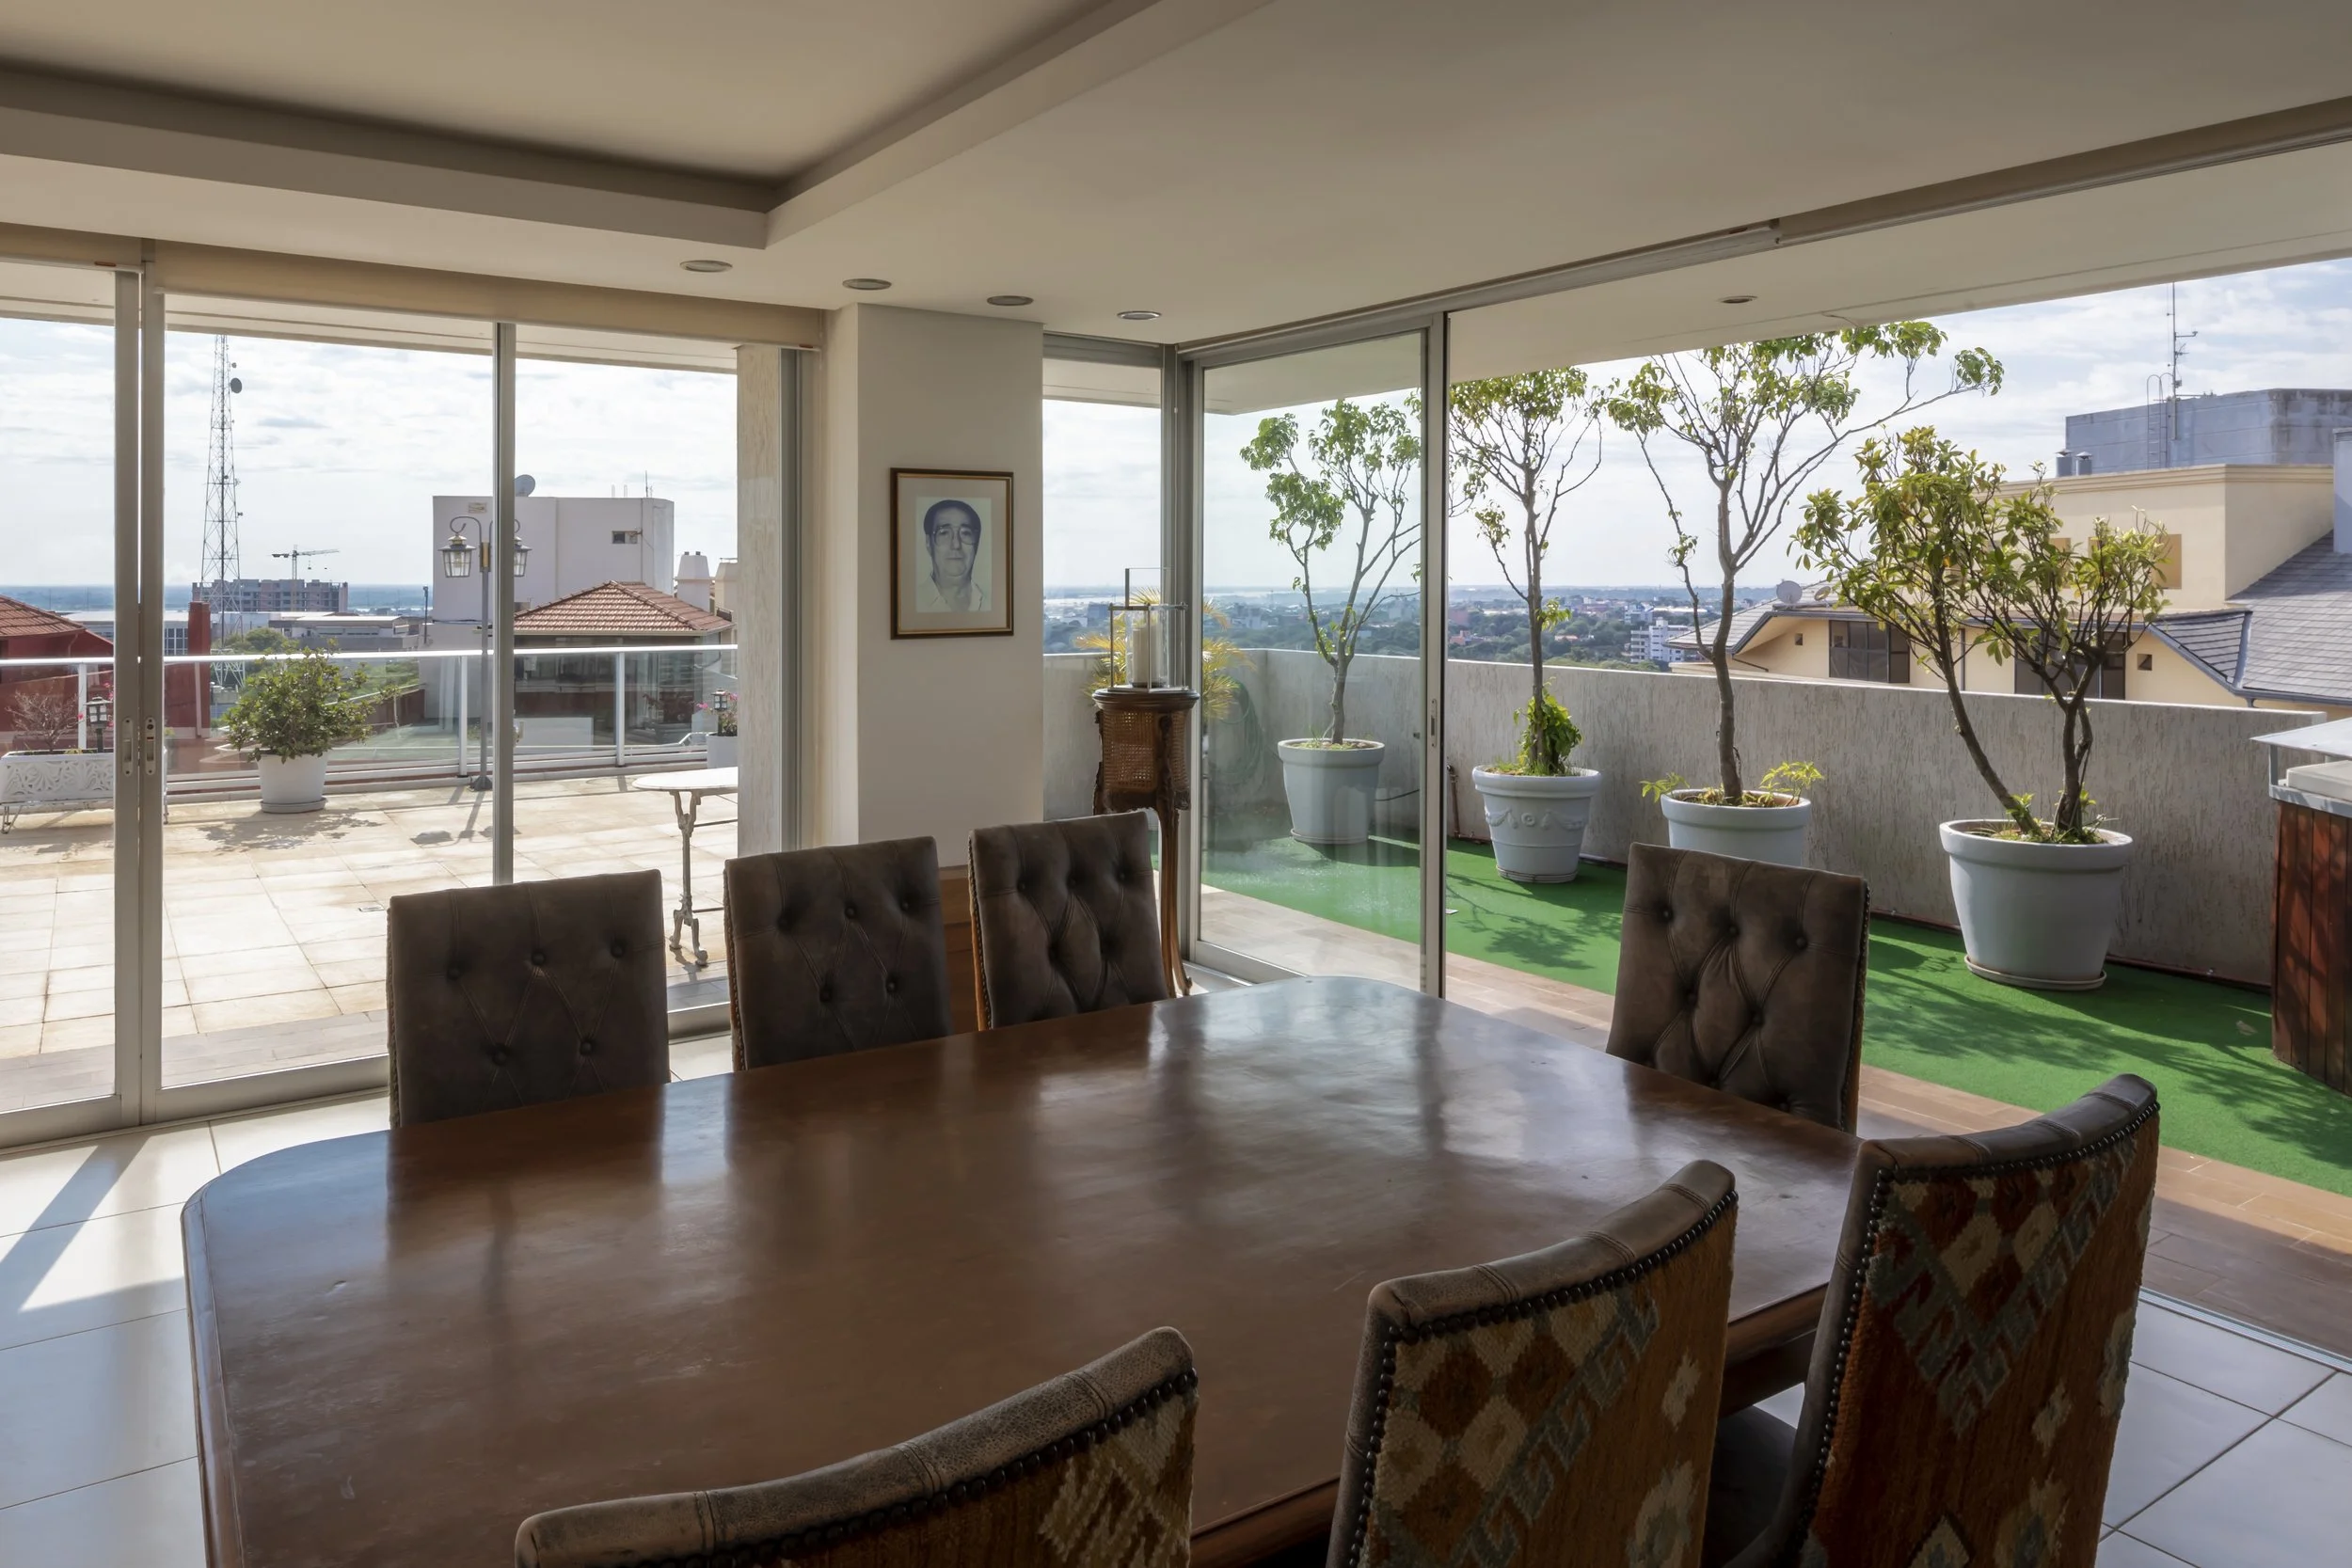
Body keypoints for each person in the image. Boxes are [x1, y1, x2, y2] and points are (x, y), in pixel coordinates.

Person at [915, 498, 989, 613]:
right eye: (944, 533)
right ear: (929, 543)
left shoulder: (991, 603)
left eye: (965, 533)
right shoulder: (912, 602)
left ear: (977, 544)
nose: (956, 544)